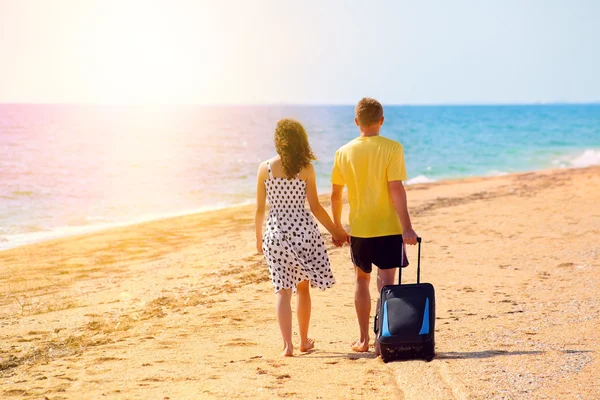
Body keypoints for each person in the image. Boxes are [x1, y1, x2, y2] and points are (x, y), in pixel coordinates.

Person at [330, 97, 418, 354]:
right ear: (381, 120)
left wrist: (337, 227)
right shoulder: (392, 148)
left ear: (357, 121)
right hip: (389, 228)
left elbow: (335, 195)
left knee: (361, 281)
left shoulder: (343, 152)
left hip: (359, 229)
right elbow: (396, 189)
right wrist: (407, 228)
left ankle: (363, 340)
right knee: (387, 283)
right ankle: (384, 338)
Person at [255, 118, 349, 357]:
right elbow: (315, 206)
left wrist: (258, 238)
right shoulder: (306, 169)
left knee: (281, 290)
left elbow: (259, 209)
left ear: (278, 141)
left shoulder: (264, 168)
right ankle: (304, 341)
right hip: (303, 232)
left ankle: (287, 346)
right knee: (302, 288)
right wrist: (336, 231)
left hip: (274, 233)